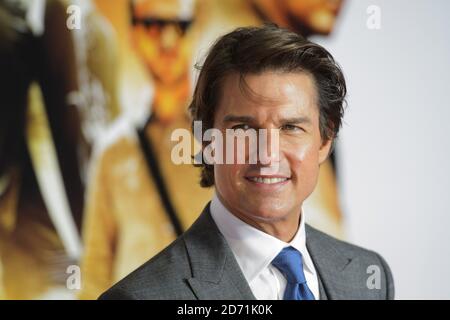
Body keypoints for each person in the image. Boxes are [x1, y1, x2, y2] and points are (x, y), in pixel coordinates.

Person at [99, 24, 394, 300]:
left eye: (291, 127)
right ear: (206, 140)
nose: (267, 155)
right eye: (243, 129)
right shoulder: (140, 297)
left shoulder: (368, 277)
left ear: (325, 139)